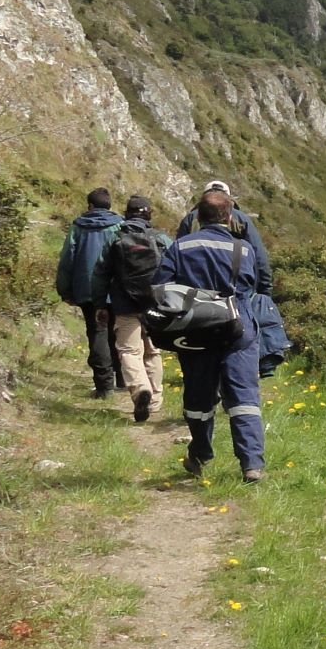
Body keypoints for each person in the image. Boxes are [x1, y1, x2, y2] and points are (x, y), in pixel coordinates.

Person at [157, 190, 267, 481]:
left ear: (197, 217)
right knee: (244, 398)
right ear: (229, 217)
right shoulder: (243, 249)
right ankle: (251, 464)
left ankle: (200, 454)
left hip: (196, 331)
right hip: (237, 327)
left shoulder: (180, 247)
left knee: (198, 400)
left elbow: (161, 287)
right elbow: (251, 284)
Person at [99, 195, 171, 422]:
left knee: (130, 351)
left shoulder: (115, 237)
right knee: (153, 351)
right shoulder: (160, 238)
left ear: (127, 212)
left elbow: (100, 273)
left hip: (124, 304)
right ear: (149, 214)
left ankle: (140, 390)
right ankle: (156, 401)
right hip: (155, 304)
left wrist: (100, 303)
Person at [53, 187, 124, 397]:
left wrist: (65, 291)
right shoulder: (120, 225)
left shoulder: (78, 227)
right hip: (114, 288)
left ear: (90, 206)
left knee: (97, 332)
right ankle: (122, 378)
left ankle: (104, 387)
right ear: (109, 206)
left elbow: (67, 260)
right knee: (117, 332)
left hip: (87, 289)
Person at [175, 179, 274, 295]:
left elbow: (177, 255)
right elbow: (259, 259)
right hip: (234, 294)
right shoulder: (242, 219)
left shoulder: (190, 219)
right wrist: (264, 293)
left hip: (194, 293)